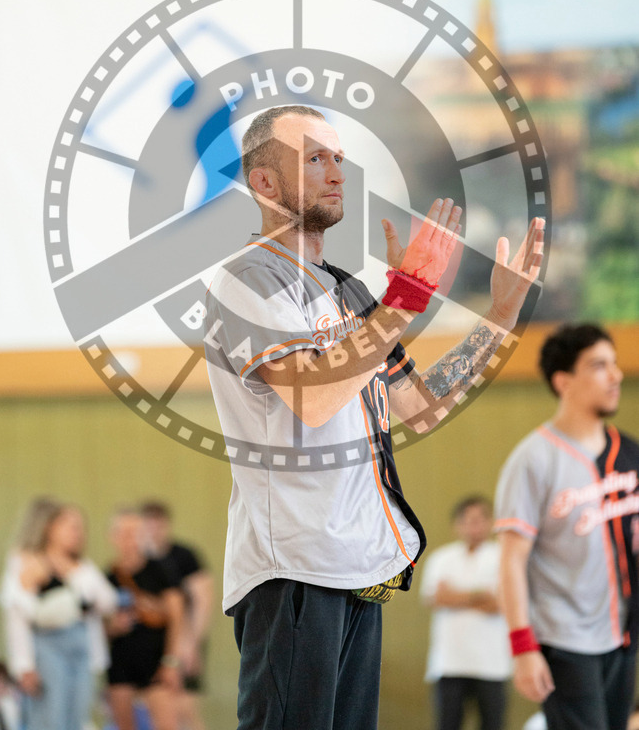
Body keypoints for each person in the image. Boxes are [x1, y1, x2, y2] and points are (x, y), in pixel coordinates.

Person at [202, 104, 544, 730]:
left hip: (356, 563)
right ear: (265, 183)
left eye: (338, 158)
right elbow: (312, 396)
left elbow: (420, 407)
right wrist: (404, 300)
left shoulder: (351, 292)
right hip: (294, 567)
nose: (337, 172)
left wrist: (499, 316)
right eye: (315, 158)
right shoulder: (247, 278)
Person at [495, 323, 639, 730]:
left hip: (622, 636)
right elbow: (510, 562)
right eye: (599, 365)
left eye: (614, 363)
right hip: (564, 641)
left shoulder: (629, 453)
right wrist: (523, 647)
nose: (616, 375)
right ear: (564, 382)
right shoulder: (533, 459)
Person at [0, 498, 117, 730]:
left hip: (81, 647)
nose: (78, 534)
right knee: (49, 719)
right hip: (47, 647)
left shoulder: (81, 565)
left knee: (76, 719)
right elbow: (17, 615)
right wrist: (23, 666)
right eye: (71, 527)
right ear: (49, 527)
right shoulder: (26, 560)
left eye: (81, 528)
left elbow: (108, 601)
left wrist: (69, 570)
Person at [421, 495, 511, 730]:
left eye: (480, 519)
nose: (474, 526)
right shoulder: (441, 558)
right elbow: (437, 598)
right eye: (468, 520)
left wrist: (456, 595)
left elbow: (500, 604)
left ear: (490, 522)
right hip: (449, 662)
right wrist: (481, 594)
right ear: (457, 524)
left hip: (492, 663)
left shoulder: (504, 557)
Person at [105, 508, 183, 730]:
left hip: (156, 660)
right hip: (121, 662)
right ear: (113, 537)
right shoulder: (108, 577)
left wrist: (171, 661)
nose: (129, 539)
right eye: (124, 533)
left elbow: (177, 616)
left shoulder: (160, 571)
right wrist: (113, 627)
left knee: (167, 723)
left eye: (135, 532)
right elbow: (99, 625)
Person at [141, 501, 213, 730]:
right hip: (155, 644)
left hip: (183, 639)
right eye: (149, 525)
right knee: (157, 709)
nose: (154, 531)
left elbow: (203, 599)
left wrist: (193, 643)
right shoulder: (140, 561)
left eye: (158, 525)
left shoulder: (183, 557)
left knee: (185, 708)